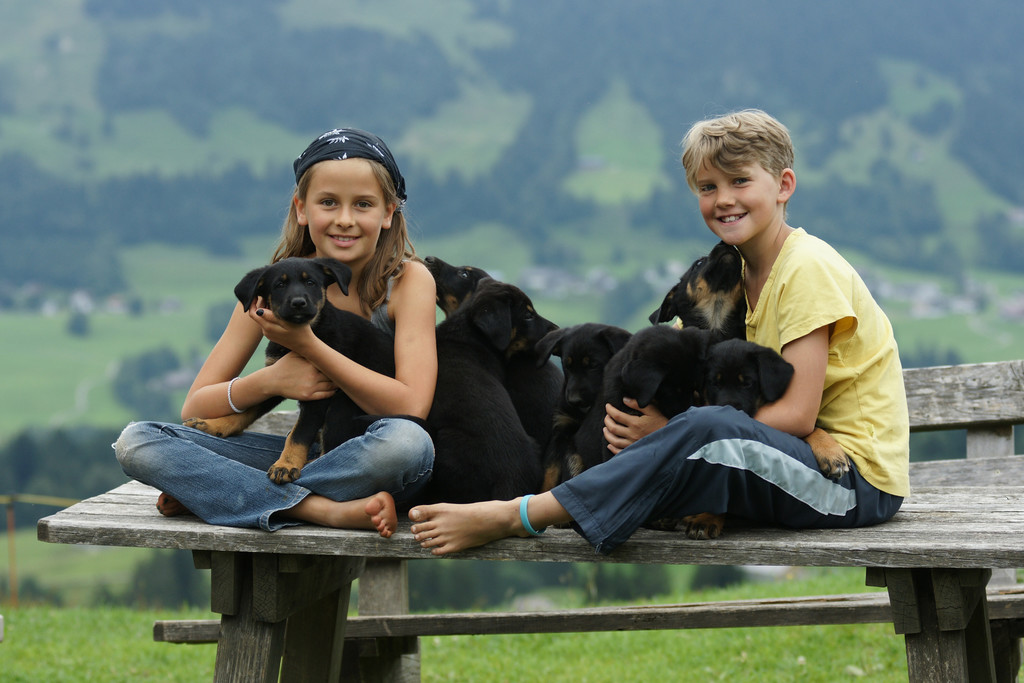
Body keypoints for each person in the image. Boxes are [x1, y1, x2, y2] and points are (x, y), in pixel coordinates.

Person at [409, 109, 909, 555]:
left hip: (850, 482)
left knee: (704, 426)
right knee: (687, 417)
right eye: (707, 188)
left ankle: (517, 515)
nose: (724, 199)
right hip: (779, 463)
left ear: (783, 185)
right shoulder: (739, 277)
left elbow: (798, 415)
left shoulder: (805, 268)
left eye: (740, 181)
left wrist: (669, 432)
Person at [115, 128, 438, 538]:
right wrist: (271, 380)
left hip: (370, 454)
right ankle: (322, 510)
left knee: (408, 444)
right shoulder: (272, 286)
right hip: (295, 459)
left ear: (389, 212)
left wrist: (309, 348)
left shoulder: (408, 282)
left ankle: (229, 494)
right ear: (301, 208)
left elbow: (412, 407)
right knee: (137, 442)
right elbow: (196, 405)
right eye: (328, 202)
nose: (345, 219)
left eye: (363, 204)